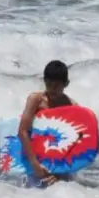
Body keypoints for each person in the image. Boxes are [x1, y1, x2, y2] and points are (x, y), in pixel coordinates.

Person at [19, 60, 77, 188]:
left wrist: (60, 173)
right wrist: (35, 164)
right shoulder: (36, 100)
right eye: (49, 83)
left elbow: (74, 141)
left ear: (66, 84)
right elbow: (22, 131)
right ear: (44, 80)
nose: (52, 88)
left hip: (60, 162)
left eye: (57, 85)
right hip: (35, 158)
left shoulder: (72, 106)